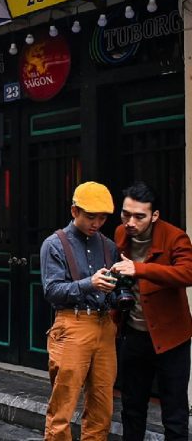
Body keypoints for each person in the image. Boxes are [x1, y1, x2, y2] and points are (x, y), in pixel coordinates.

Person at [108, 182, 192, 441]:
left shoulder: (174, 236)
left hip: (172, 339)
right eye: (125, 214)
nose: (130, 222)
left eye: (139, 216)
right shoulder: (121, 233)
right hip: (134, 335)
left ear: (154, 216)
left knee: (174, 413)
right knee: (132, 409)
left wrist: (140, 269)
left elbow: (187, 273)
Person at [39, 181, 119, 441]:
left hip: (104, 324)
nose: (96, 223)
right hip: (71, 323)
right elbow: (52, 291)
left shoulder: (108, 246)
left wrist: (118, 290)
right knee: (63, 405)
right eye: (90, 216)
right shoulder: (54, 244)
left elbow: (116, 292)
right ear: (75, 212)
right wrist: (89, 283)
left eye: (103, 217)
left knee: (102, 405)